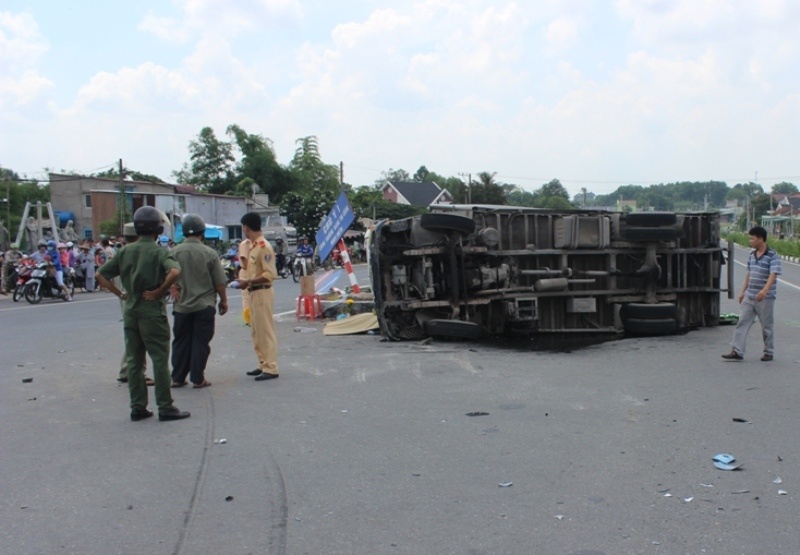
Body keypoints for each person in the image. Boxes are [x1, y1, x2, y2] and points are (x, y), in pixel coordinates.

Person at [96, 206, 190, 422]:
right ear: (157, 229)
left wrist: (120, 294)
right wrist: (160, 290)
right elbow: (175, 271)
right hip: (151, 311)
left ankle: (138, 407)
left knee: (134, 361)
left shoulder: (125, 251)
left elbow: (101, 275)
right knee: (159, 359)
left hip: (131, 311)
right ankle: (165, 406)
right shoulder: (159, 252)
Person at [169, 214, 228, 388]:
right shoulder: (210, 253)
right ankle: (197, 378)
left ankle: (178, 378)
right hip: (204, 305)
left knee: (180, 342)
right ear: (202, 232)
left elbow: (165, 276)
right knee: (200, 342)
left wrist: (171, 287)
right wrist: (223, 301)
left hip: (181, 306)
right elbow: (219, 282)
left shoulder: (174, 252)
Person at [722, 226, 782, 362]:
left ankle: (768, 352)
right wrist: (743, 292)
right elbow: (749, 274)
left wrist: (764, 290)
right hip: (750, 296)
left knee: (766, 325)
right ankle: (737, 350)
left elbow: (773, 274)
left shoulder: (772, 255)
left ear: (761, 239)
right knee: (742, 322)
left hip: (765, 298)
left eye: (752, 239)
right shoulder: (751, 255)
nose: (750, 241)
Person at [238, 212, 279, 381]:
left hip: (262, 291)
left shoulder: (264, 247)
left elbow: (270, 274)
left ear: (246, 227)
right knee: (256, 331)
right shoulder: (253, 246)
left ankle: (271, 367)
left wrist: (248, 281)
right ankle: (263, 363)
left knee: (265, 331)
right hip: (254, 292)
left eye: (243, 227)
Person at [115, 223, 154, 386]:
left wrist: (119, 293)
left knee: (132, 337)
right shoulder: (136, 254)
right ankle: (135, 372)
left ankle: (127, 370)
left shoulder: (121, 253)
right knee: (139, 338)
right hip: (136, 301)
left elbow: (103, 275)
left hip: (125, 299)